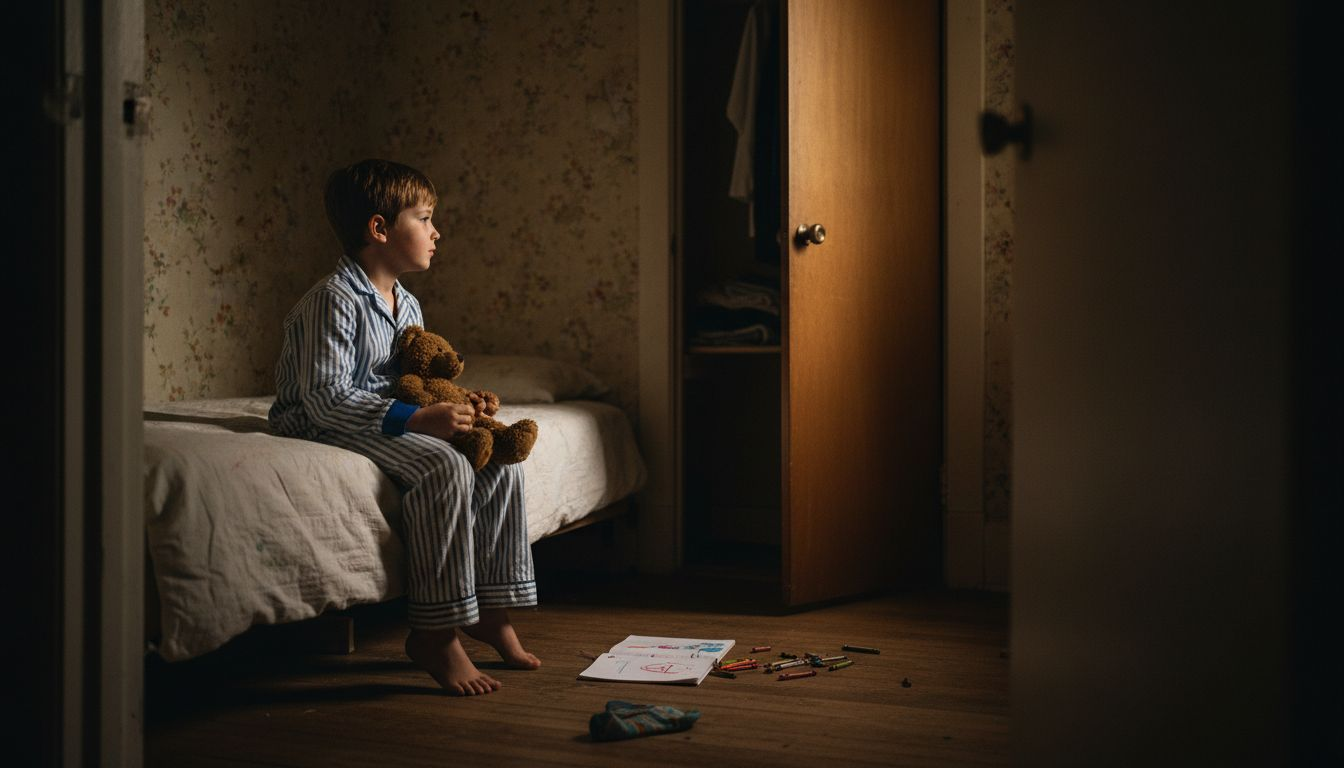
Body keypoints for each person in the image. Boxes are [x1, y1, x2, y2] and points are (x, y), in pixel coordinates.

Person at [268, 159, 540, 696]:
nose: (436, 231)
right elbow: (325, 399)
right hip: (325, 422)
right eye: (424, 218)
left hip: (383, 412)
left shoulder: (407, 302)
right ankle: (436, 633)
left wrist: (460, 405)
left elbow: (413, 377)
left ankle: (487, 608)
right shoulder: (333, 300)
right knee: (444, 467)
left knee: (497, 464)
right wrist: (416, 419)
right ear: (379, 229)